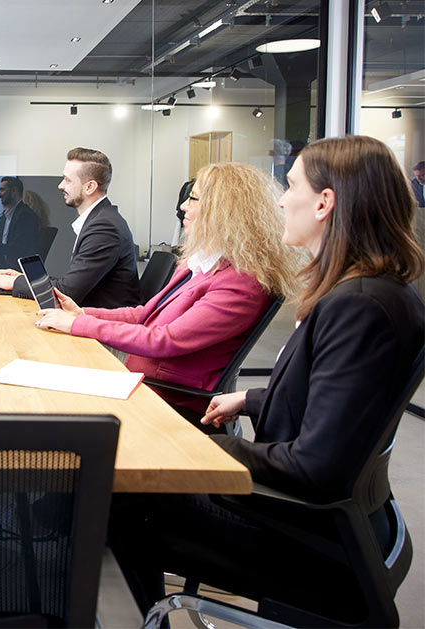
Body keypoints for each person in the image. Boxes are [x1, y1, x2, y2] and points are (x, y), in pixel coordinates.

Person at [109, 136, 424, 619]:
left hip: (306, 536)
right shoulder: (373, 294)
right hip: (342, 524)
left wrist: (192, 447)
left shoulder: (358, 307)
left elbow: (316, 469)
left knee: (121, 502)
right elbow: (343, 401)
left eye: (291, 185)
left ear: (325, 202)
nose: (280, 200)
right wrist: (253, 399)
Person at [35, 162, 302, 419]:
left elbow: (165, 340)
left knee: (46, 402)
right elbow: (144, 315)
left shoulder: (241, 284)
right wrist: (82, 313)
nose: (183, 206)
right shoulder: (198, 264)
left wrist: (79, 324)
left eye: (193, 199)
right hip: (139, 381)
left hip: (166, 398)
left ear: (223, 211)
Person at [0, 148, 140, 308]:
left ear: (89, 187)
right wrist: (26, 279)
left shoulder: (105, 228)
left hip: (102, 324)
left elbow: (67, 292)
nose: (60, 185)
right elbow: (71, 283)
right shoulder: (101, 219)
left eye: (67, 180)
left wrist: (15, 282)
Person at [0, 176, 39, 270]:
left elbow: (16, 249)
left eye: (2, 190)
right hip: (3, 270)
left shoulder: (26, 216)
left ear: (14, 191)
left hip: (19, 271)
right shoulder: (3, 218)